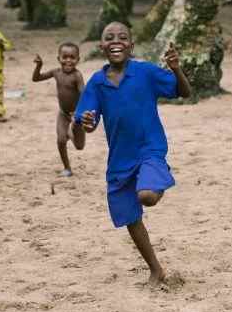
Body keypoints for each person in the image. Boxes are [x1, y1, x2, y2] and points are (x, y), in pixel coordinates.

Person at [74, 22, 191, 286]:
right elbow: (87, 123)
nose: (116, 41)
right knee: (130, 218)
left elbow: (183, 92)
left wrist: (176, 69)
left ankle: (158, 176)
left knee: (147, 195)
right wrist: (86, 122)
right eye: (109, 37)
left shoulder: (146, 72)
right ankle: (155, 269)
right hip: (119, 161)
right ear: (101, 46)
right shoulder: (97, 83)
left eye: (123, 37)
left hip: (150, 150)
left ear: (132, 46)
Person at [32, 42, 86, 177]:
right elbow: (36, 78)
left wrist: (80, 113)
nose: (68, 60)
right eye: (65, 57)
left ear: (78, 60)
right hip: (63, 114)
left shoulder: (77, 76)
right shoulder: (56, 72)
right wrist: (39, 66)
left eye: (72, 57)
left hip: (77, 117)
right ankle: (67, 168)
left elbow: (84, 94)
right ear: (59, 58)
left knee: (79, 146)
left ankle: (71, 133)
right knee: (60, 140)